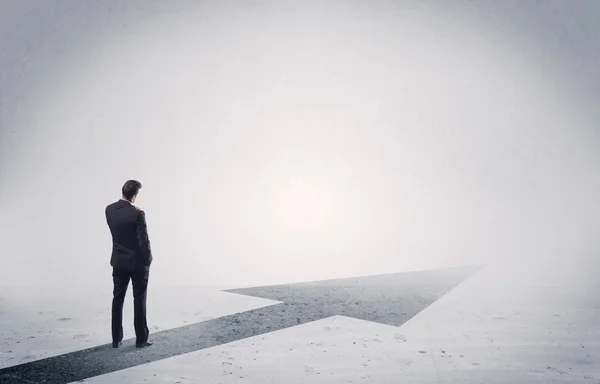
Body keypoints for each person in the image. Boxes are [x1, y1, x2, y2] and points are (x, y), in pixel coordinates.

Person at [105, 180, 153, 348]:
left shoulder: (109, 210)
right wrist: (148, 260)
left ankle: (116, 339)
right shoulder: (138, 214)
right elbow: (143, 240)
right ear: (134, 196)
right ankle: (141, 338)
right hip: (137, 263)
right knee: (139, 299)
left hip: (118, 261)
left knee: (117, 299)